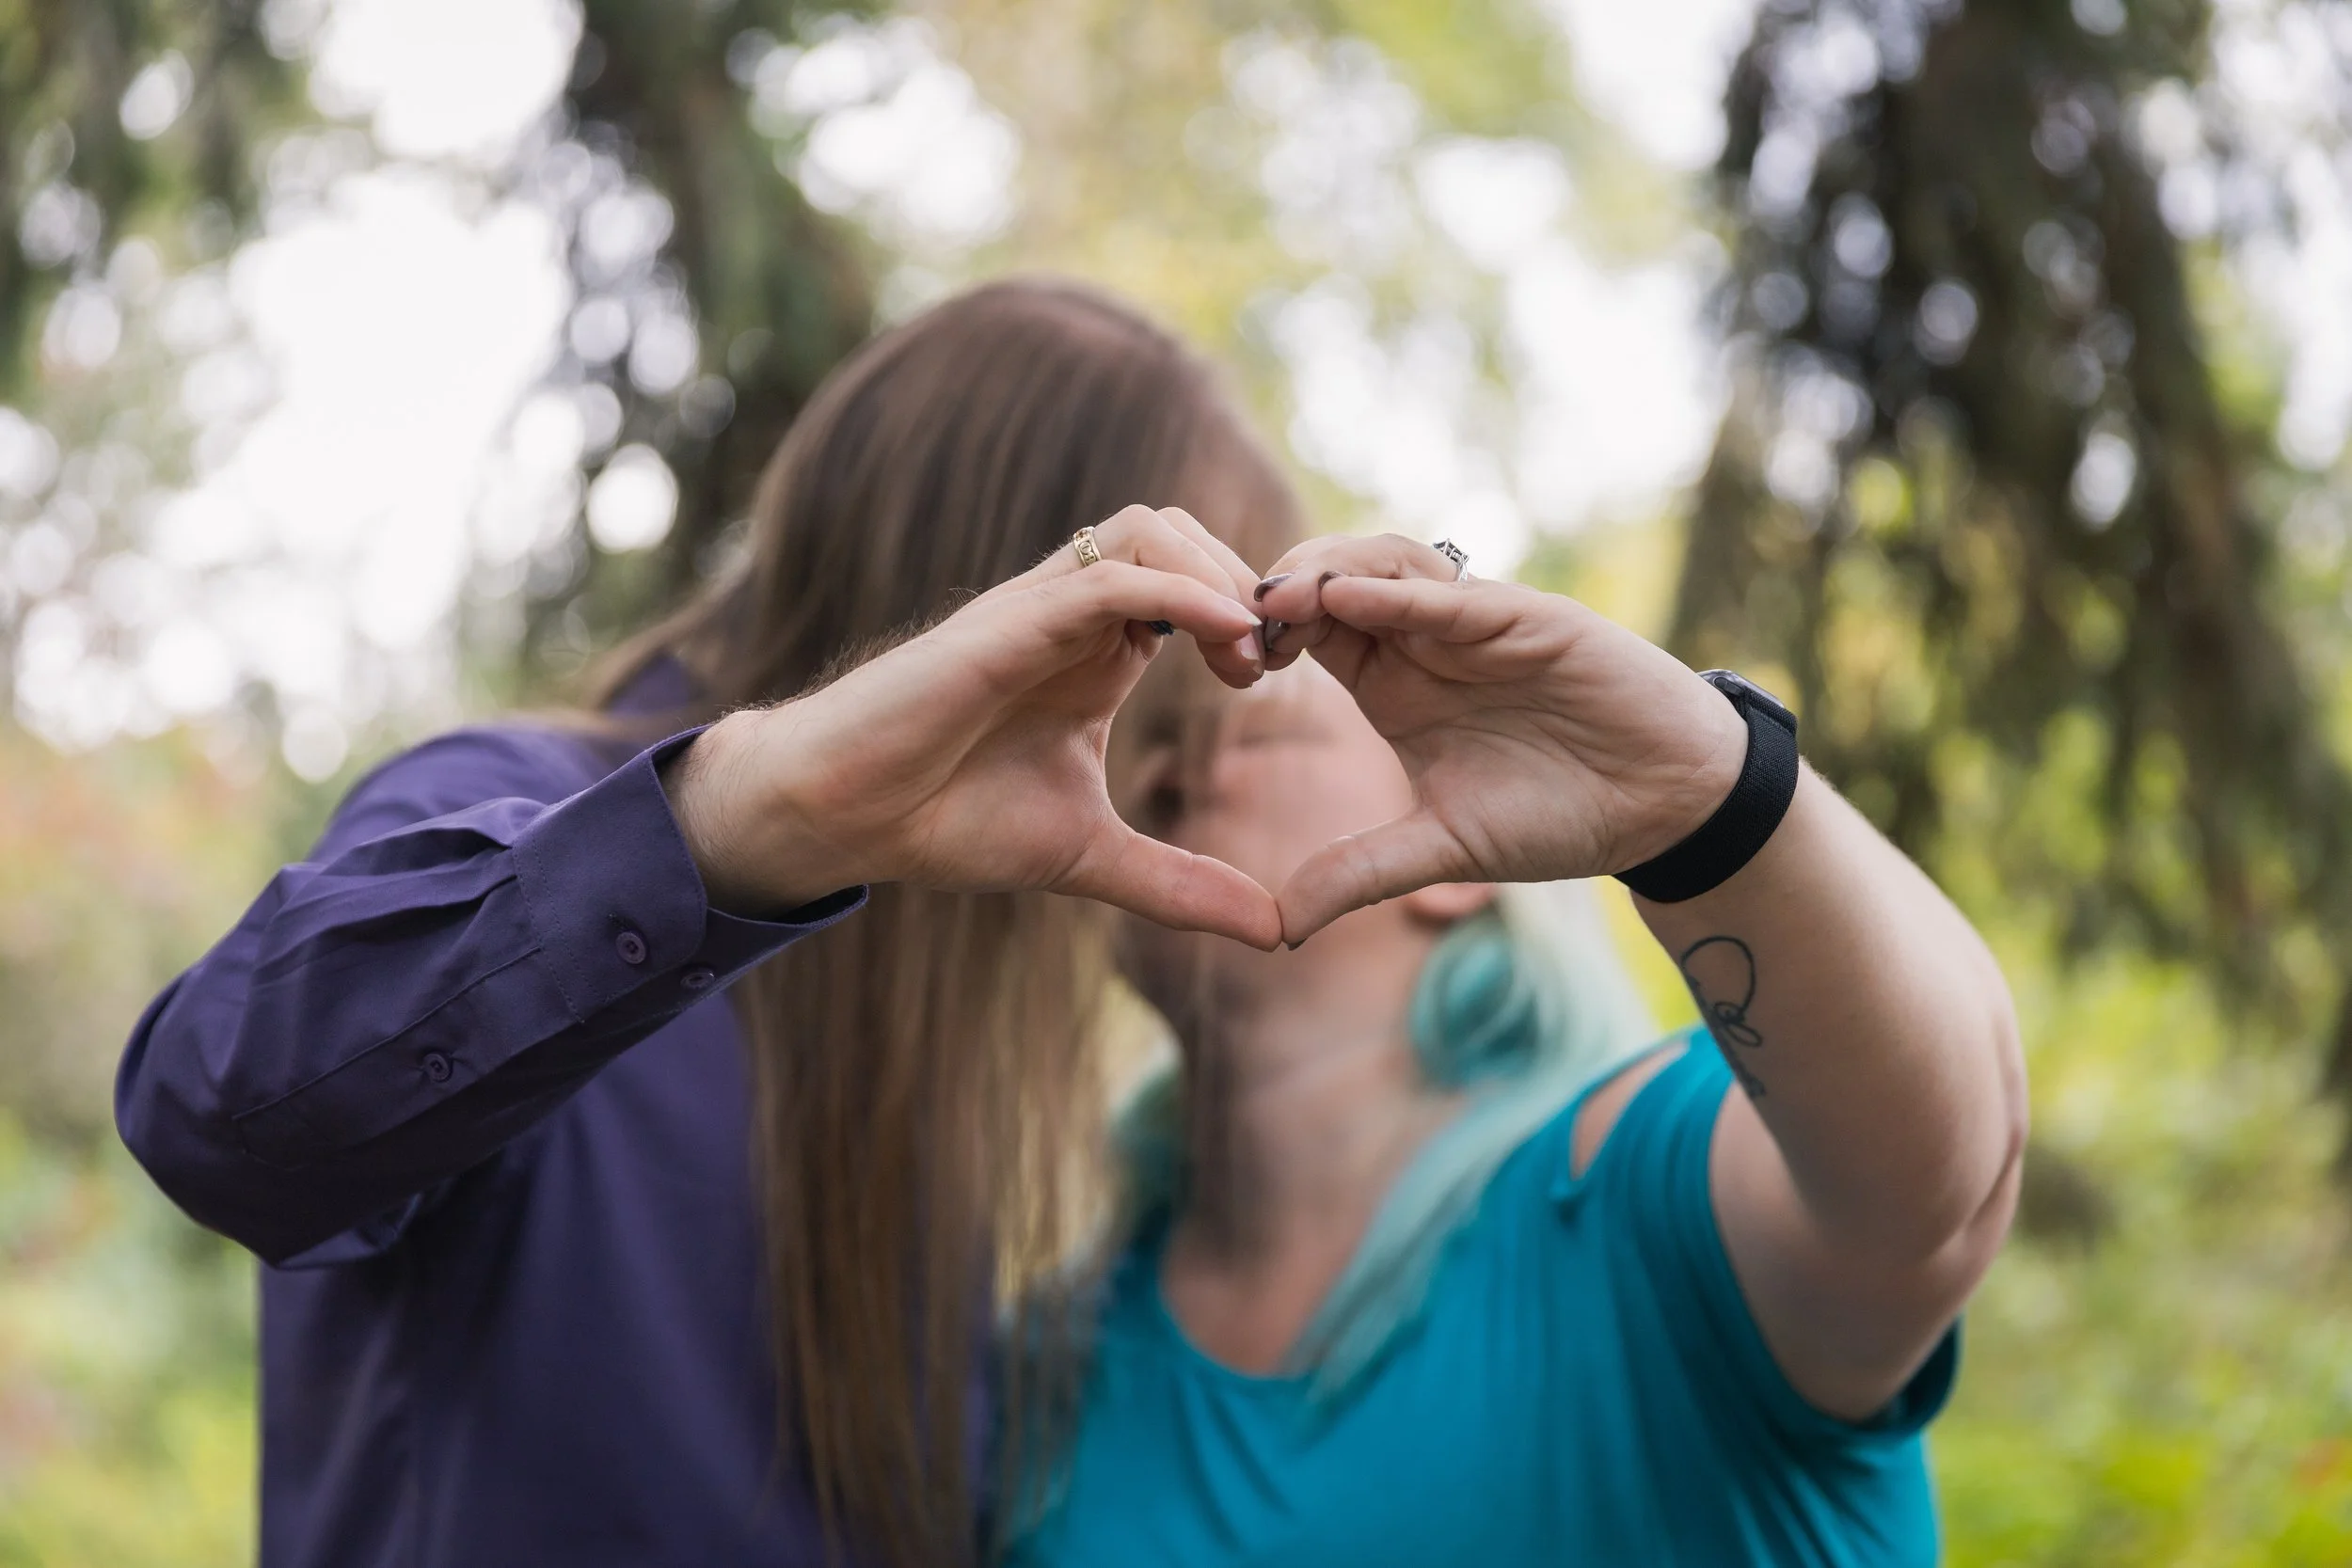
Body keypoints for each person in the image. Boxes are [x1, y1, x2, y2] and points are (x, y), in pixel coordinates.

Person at [114, 278, 1302, 1568]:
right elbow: (215, 1112)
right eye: (1167, 714)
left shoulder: (957, 1056)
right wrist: (730, 830)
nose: (1165, 793)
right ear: (999, 619)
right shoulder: (524, 811)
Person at [1001, 535, 2027, 1565]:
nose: (1165, 757)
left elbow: (1942, 1185)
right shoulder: (1043, 1353)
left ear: (1461, 852)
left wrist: (1712, 793)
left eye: (1249, 709)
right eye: (1153, 740)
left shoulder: (1639, 1196)